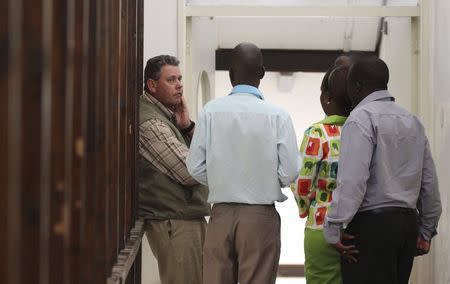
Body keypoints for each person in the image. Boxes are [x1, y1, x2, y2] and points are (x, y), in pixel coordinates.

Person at [186, 43, 299, 284]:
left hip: (221, 214)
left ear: (230, 74)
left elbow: (194, 165)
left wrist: (221, 179)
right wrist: (265, 180)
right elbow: (290, 171)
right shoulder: (278, 115)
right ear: (262, 73)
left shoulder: (211, 111)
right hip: (261, 216)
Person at [323, 57, 442, 284]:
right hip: (408, 226)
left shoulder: (360, 119)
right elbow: (429, 182)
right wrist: (426, 230)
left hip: (371, 228)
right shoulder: (412, 121)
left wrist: (334, 227)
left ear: (356, 86)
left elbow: (353, 182)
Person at [138, 55, 210, 284]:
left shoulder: (167, 118)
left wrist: (188, 127)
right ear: (152, 85)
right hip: (176, 223)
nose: (179, 85)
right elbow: (191, 172)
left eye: (179, 79)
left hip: (183, 218)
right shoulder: (151, 122)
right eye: (171, 80)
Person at [291, 59, 352, 284]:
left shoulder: (316, 133)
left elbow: (302, 183)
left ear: (326, 98)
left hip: (322, 226)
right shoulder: (364, 130)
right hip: (358, 228)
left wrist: (305, 207)